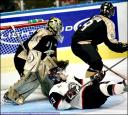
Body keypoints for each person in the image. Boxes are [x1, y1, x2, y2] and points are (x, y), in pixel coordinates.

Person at [3, 17, 64, 105]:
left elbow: (51, 55)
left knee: (42, 73)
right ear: (55, 28)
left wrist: (56, 67)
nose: (59, 31)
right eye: (58, 29)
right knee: (34, 76)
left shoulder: (49, 37)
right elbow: (32, 48)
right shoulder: (45, 35)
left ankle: (48, 90)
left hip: (26, 57)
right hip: (24, 58)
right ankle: (10, 95)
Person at [71, 2, 128, 80]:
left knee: (96, 65)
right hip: (83, 44)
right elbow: (112, 44)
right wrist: (125, 47)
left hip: (75, 45)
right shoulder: (108, 22)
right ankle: (91, 86)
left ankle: (91, 83)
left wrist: (93, 48)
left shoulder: (95, 17)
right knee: (97, 65)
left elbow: (88, 34)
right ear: (110, 11)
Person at [48, 63, 128, 110]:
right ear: (56, 76)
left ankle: (124, 85)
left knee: (109, 83)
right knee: (103, 87)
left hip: (91, 96)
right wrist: (69, 96)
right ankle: (124, 86)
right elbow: (59, 106)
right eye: (61, 72)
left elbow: (86, 82)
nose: (63, 72)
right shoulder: (53, 90)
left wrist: (96, 78)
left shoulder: (70, 78)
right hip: (83, 101)